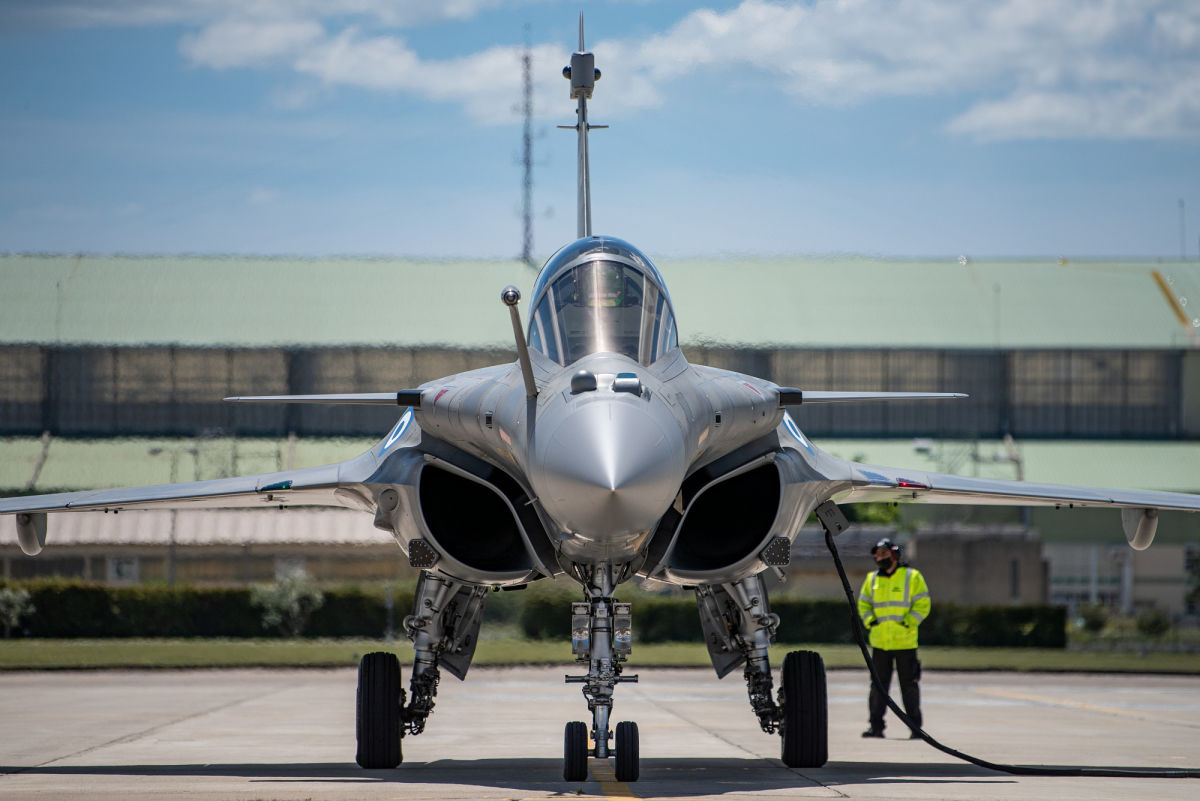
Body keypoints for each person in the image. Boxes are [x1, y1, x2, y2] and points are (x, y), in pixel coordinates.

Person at [857, 538, 931, 739]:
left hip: (905, 642)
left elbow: (923, 604)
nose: (879, 557)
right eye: (877, 554)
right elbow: (863, 604)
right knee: (878, 687)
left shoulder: (912, 577)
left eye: (883, 553)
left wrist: (908, 623)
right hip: (880, 643)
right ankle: (876, 727)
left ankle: (916, 729)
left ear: (894, 555)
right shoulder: (872, 579)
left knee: (909, 686)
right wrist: (870, 621)